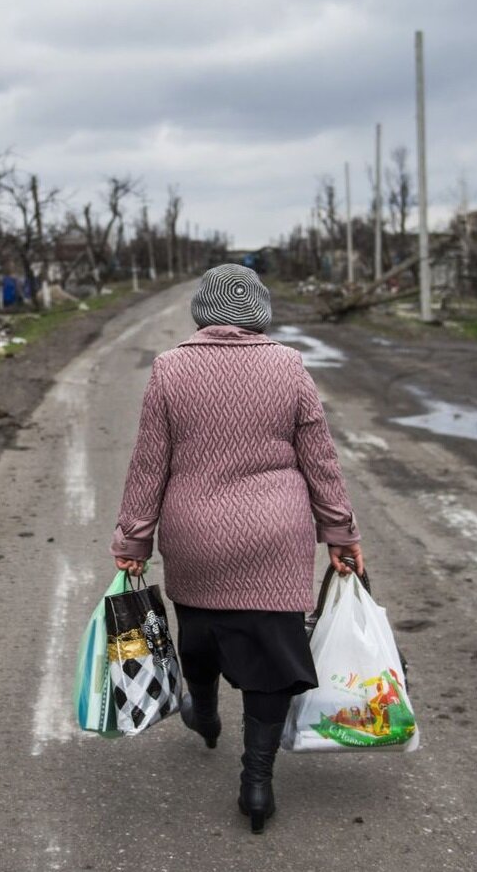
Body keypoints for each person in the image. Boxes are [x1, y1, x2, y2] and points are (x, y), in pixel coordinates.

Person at [110, 263, 362, 834]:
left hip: (196, 535)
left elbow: (150, 462)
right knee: (270, 658)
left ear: (202, 310)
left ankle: (202, 710)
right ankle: (256, 784)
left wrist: (134, 539)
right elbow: (320, 460)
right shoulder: (289, 365)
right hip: (276, 535)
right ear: (260, 313)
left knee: (199, 633)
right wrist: (342, 536)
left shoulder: (170, 368)